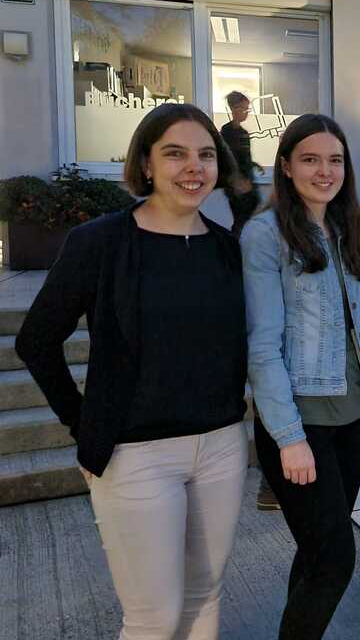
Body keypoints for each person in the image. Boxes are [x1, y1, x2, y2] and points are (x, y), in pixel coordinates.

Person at [16, 103, 248, 639]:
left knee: (205, 596)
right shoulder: (99, 242)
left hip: (221, 447)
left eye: (206, 155)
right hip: (135, 456)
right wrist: (84, 425)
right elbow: (36, 341)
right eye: (175, 153)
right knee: (154, 618)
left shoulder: (226, 249)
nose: (194, 167)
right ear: (146, 163)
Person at [241, 114, 360, 639]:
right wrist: (288, 437)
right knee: (334, 560)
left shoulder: (343, 230)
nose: (324, 171)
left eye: (335, 160)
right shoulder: (265, 234)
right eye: (310, 159)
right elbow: (262, 346)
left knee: (316, 553)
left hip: (351, 417)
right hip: (301, 423)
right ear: (285, 166)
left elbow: (358, 331)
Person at [220, 91, 262, 238]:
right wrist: (236, 179)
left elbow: (244, 157)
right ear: (234, 109)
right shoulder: (227, 132)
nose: (245, 113)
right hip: (237, 181)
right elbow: (228, 156)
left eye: (247, 109)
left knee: (248, 212)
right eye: (243, 109)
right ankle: (236, 243)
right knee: (241, 217)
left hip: (245, 179)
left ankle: (239, 241)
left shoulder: (243, 133)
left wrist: (254, 165)